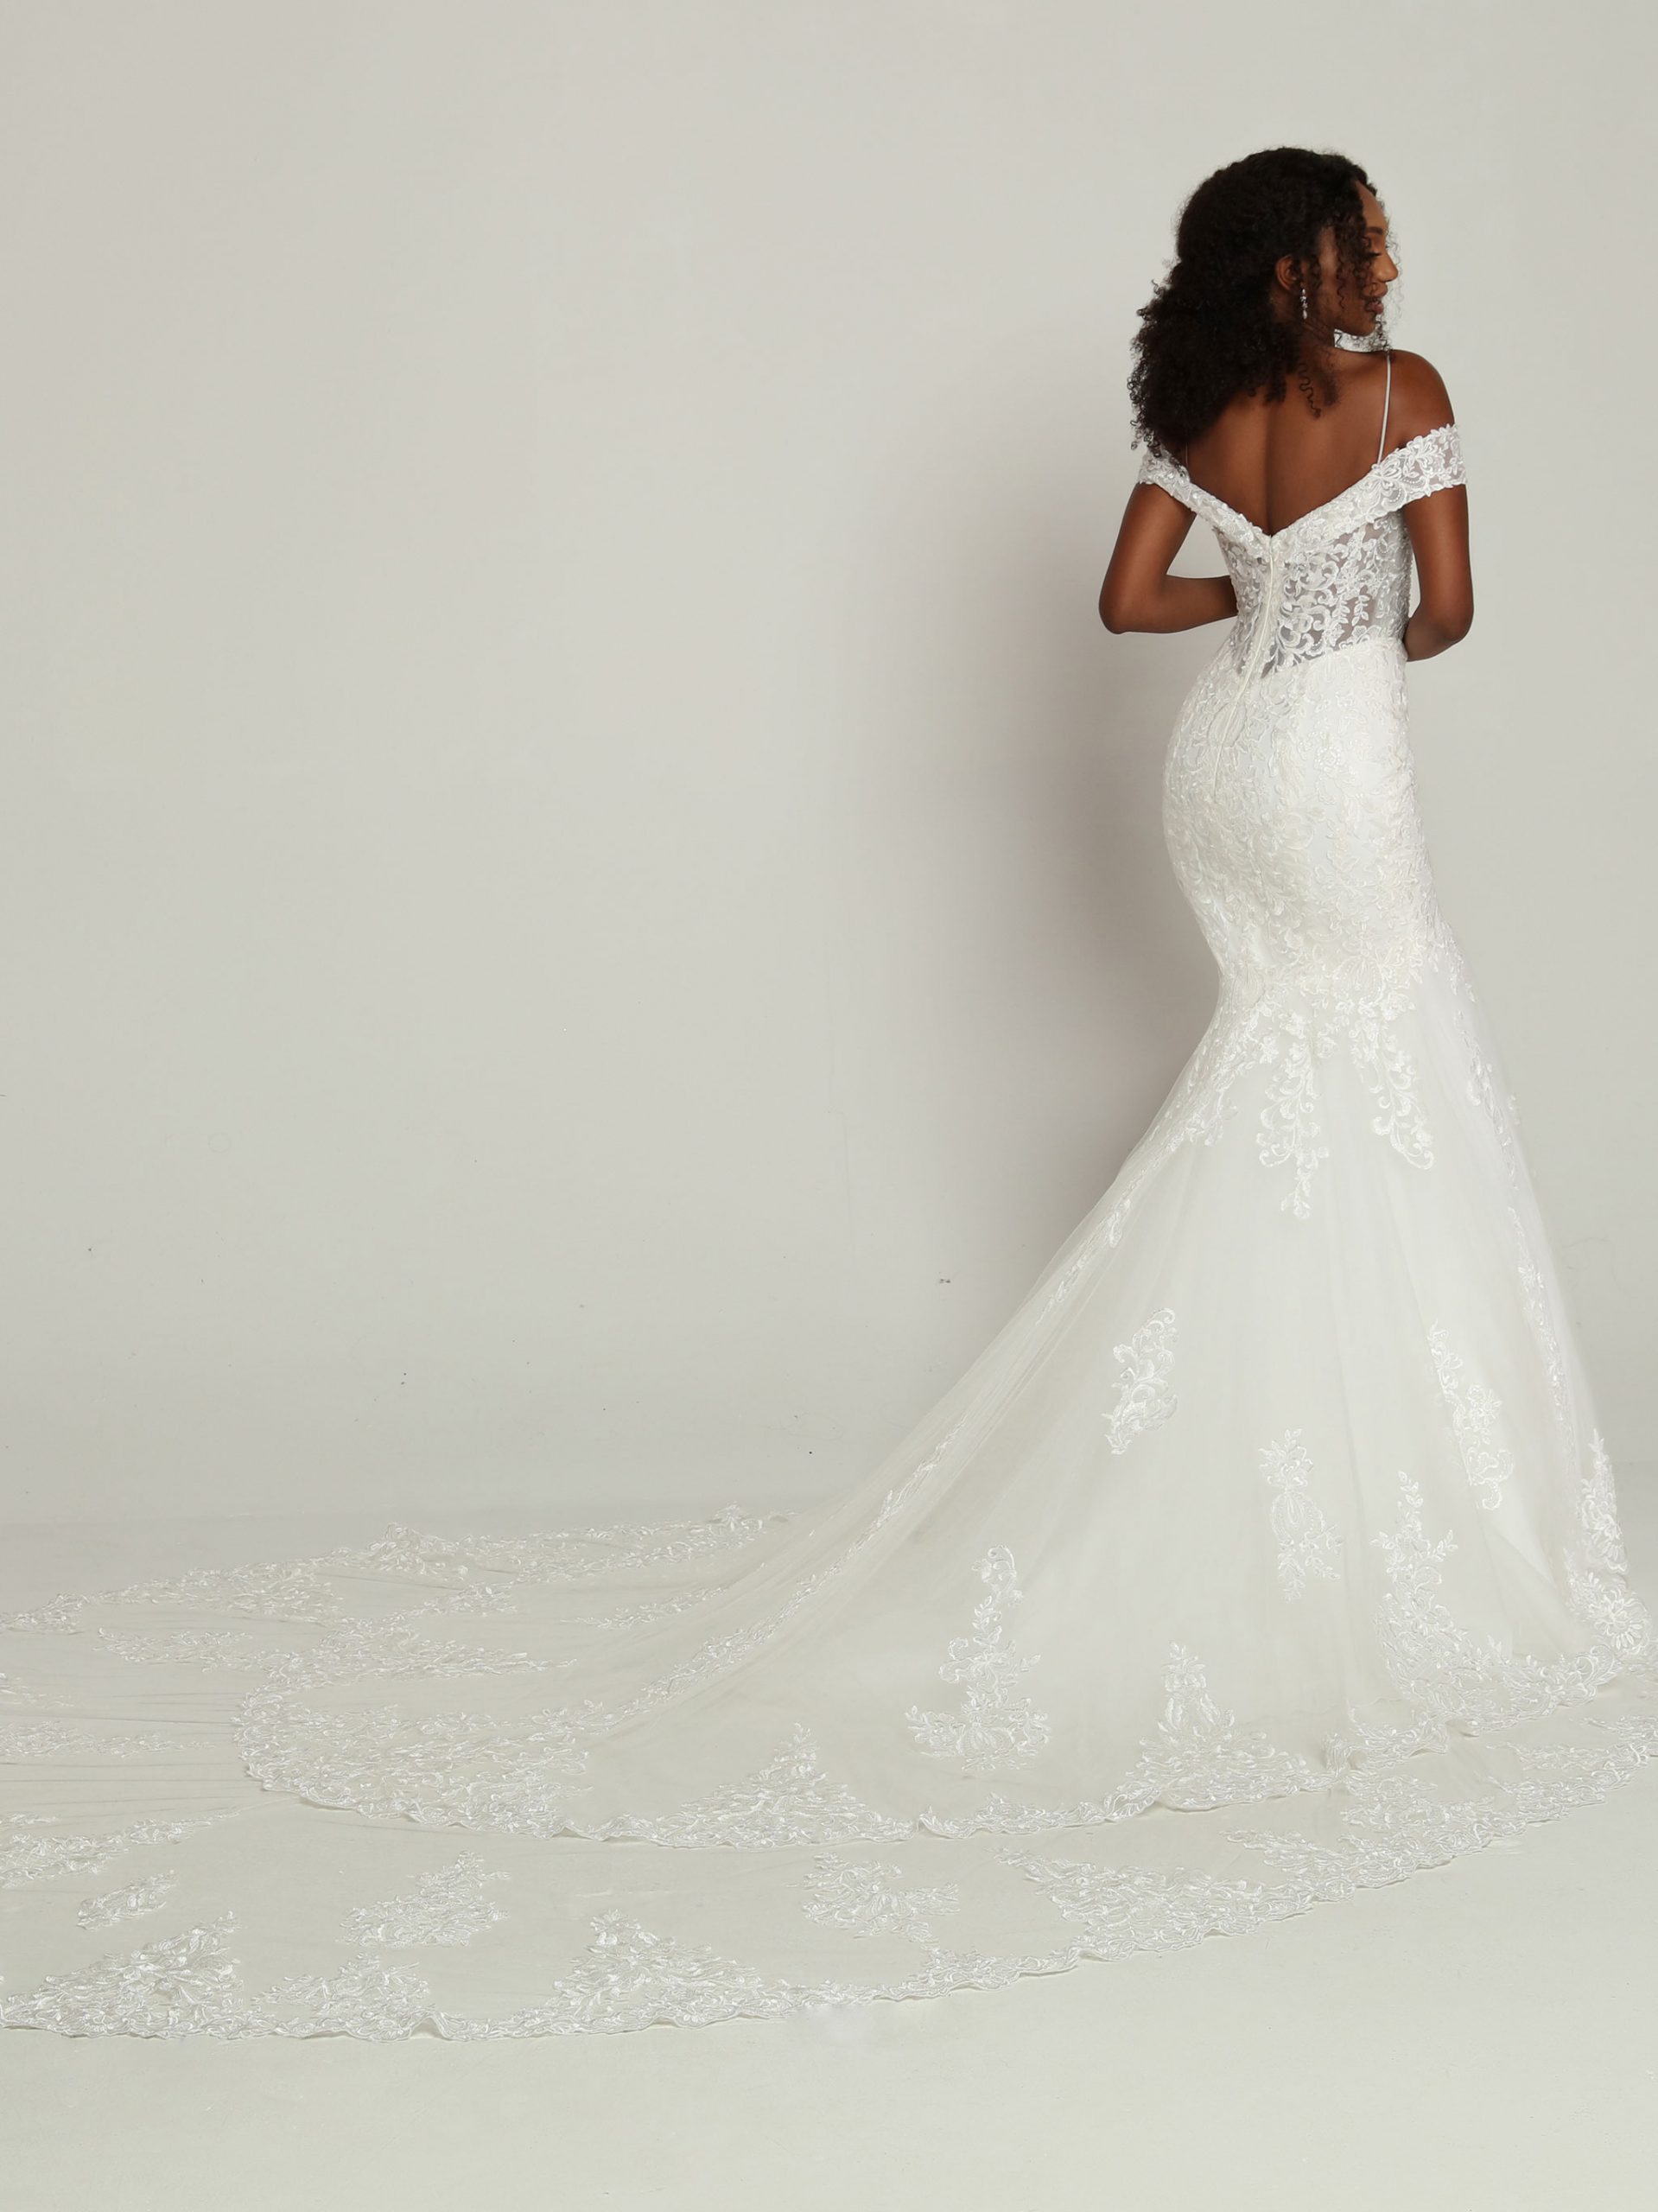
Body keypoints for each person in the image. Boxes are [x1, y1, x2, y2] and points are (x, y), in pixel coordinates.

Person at [3, 149, 1654, 2044]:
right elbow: (1445, 617)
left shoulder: (1206, 409)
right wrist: (1343, 599)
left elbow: (1127, 599)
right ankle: (1381, 1518)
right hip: (1339, 755)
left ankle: (1268, 1484)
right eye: (1365, 233)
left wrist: (1265, 590)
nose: (1389, 257)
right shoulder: (1405, 389)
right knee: (1371, 1053)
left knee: (1289, 1072)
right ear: (1304, 262)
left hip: (1223, 772)